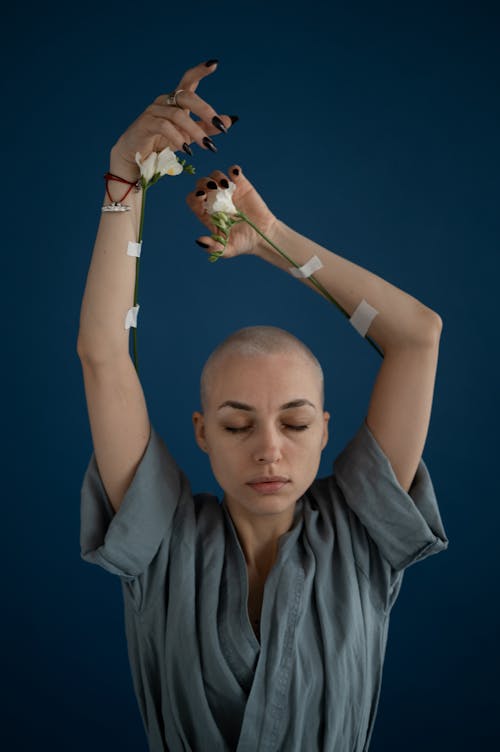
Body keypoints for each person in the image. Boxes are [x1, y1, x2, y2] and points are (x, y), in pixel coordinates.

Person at [78, 59, 449, 752]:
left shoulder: (361, 535)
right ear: (202, 433)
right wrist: (125, 178)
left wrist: (272, 239)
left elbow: (418, 337)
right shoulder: (161, 540)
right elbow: (103, 357)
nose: (270, 447)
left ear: (325, 430)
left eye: (297, 421)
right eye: (237, 423)